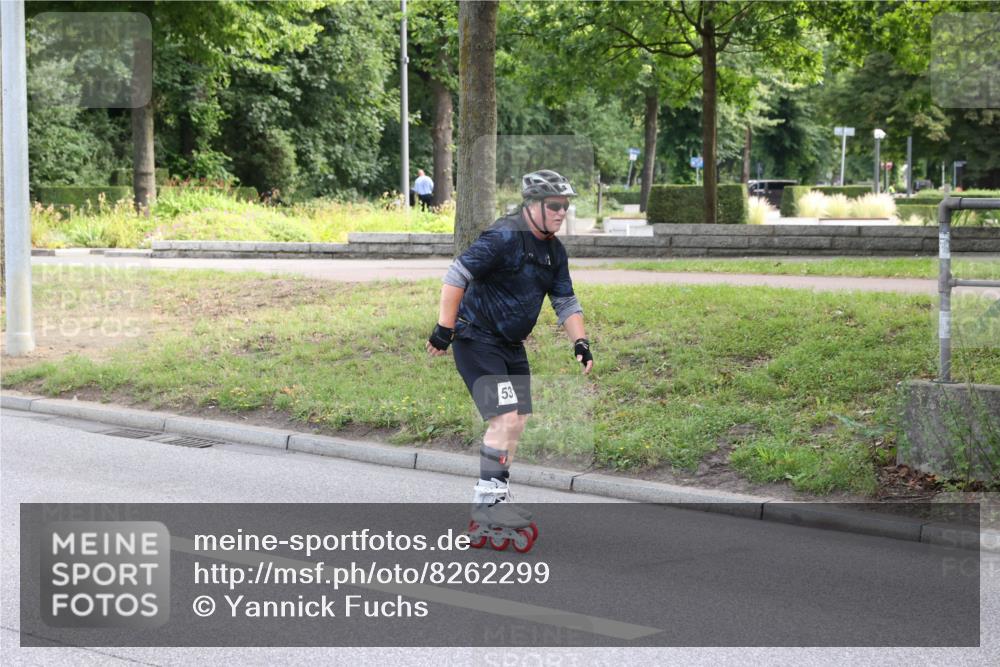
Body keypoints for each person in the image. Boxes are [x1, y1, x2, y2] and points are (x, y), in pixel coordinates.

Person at [425, 169, 593, 552]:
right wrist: (443, 327)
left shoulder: (554, 251)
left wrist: (580, 341)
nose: (560, 213)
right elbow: (457, 273)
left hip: (511, 345)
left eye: (565, 207)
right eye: (554, 205)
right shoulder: (504, 236)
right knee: (504, 416)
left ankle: (493, 496)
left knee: (517, 421)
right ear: (532, 205)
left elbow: (565, 301)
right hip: (476, 338)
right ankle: (488, 503)